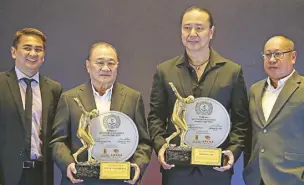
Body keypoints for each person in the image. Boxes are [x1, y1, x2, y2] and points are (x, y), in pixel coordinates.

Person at [148, 6, 249, 185]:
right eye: (187, 27)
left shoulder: (231, 71)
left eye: (199, 28)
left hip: (216, 170)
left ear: (211, 32)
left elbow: (241, 121)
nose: (192, 33)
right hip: (176, 169)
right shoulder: (165, 71)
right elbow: (156, 117)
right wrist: (161, 146)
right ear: (181, 32)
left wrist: (232, 151)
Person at [50, 42, 152, 185]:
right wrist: (68, 164)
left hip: (120, 180)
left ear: (117, 66)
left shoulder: (133, 98)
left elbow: (144, 142)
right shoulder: (69, 99)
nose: (105, 68)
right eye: (99, 63)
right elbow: (58, 141)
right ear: (88, 66)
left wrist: (138, 165)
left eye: (111, 63)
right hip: (81, 180)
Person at [0, 28, 63, 185]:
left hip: (40, 173)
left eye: (38, 49)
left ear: (43, 57)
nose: (33, 53)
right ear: (14, 52)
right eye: (27, 48)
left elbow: (56, 134)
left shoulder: (54, 89)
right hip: (5, 173)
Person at [243, 36, 304, 185]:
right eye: (267, 55)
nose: (271, 60)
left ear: (293, 57)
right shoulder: (255, 90)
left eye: (278, 54)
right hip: (257, 178)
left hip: (293, 177)